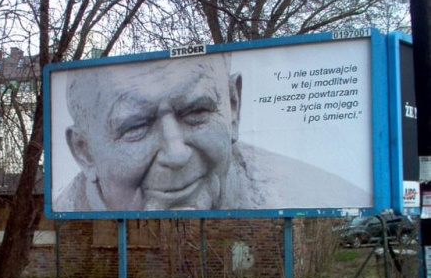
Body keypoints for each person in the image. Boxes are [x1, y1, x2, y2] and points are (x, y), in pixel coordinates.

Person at [53, 53, 371, 212]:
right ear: (84, 151)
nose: (177, 153)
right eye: (137, 126)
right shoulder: (63, 207)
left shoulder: (321, 196)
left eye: (197, 112)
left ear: (233, 106)